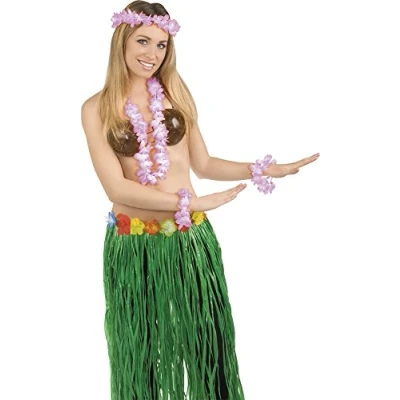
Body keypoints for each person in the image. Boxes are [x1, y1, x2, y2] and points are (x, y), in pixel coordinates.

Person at [81, 1, 320, 399]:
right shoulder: (96, 108)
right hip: (132, 246)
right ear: (121, 40)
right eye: (143, 41)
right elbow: (117, 189)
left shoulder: (175, 95)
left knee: (209, 345)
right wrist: (193, 203)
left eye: (161, 45)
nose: (152, 54)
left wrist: (262, 169)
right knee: (139, 358)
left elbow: (204, 164)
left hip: (189, 240)